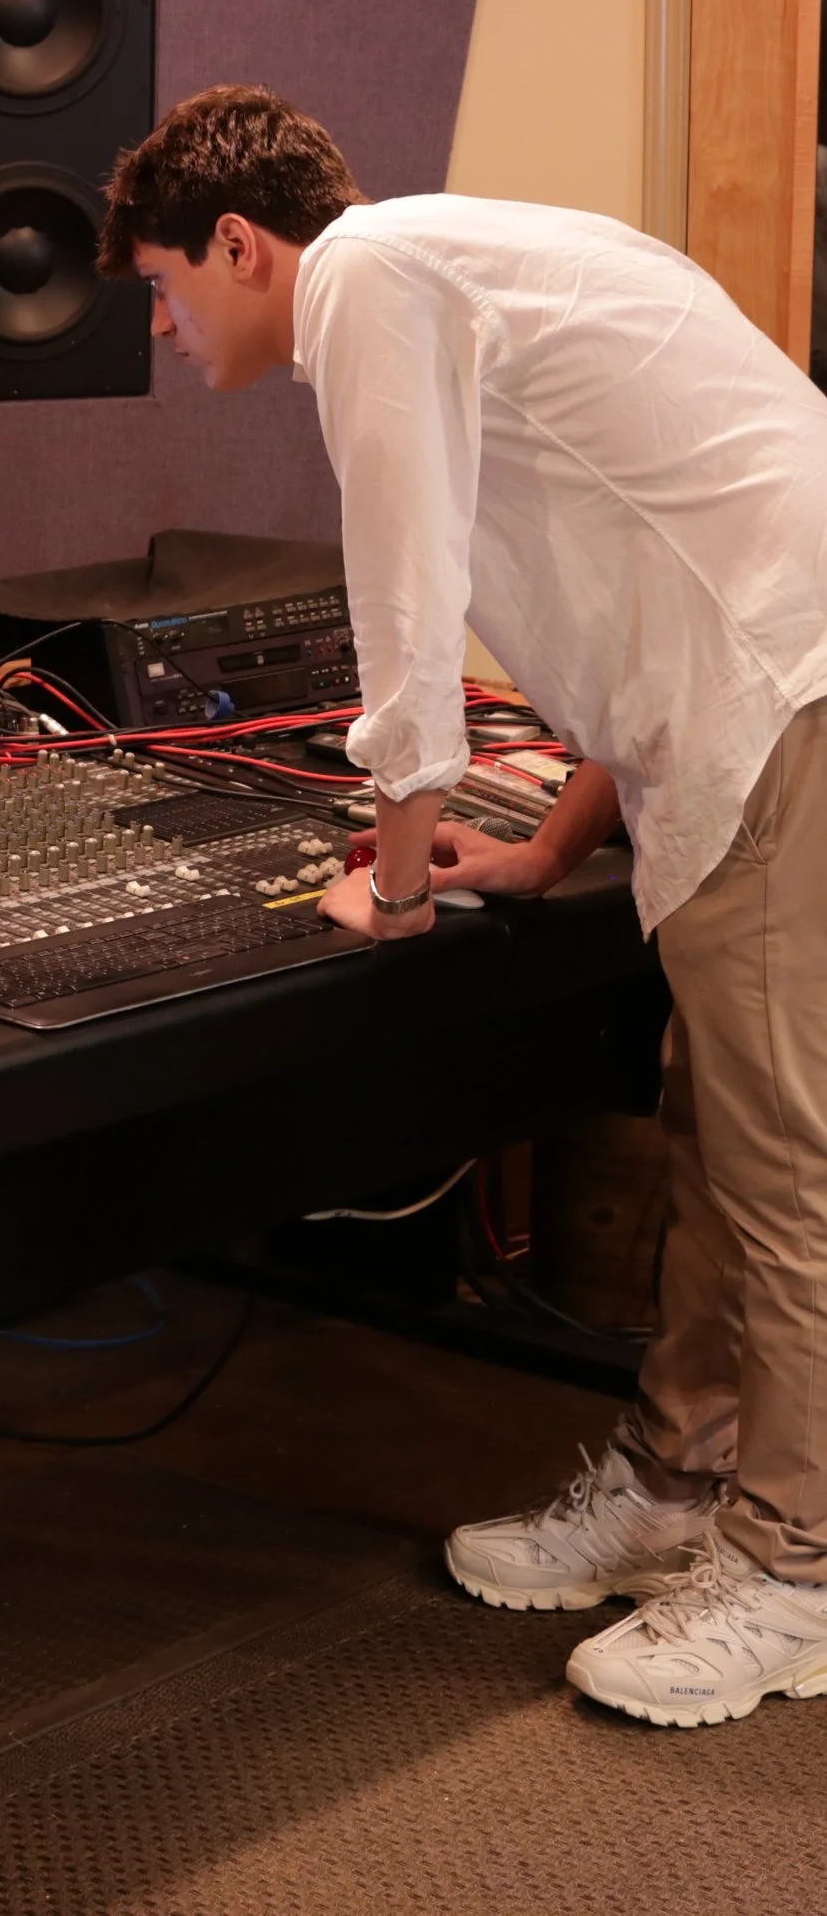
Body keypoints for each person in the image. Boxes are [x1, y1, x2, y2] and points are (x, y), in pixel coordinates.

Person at [97, 84, 827, 1728]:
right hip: (750, 690)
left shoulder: (365, 280)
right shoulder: (455, 259)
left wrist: (406, 872)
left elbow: (408, 608)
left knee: (786, 1172)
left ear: (239, 242)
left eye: (164, 283)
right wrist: (554, 844)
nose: (162, 325)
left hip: (789, 694)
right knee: (719, 1134)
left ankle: (794, 1574)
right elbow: (640, 580)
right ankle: (677, 1485)